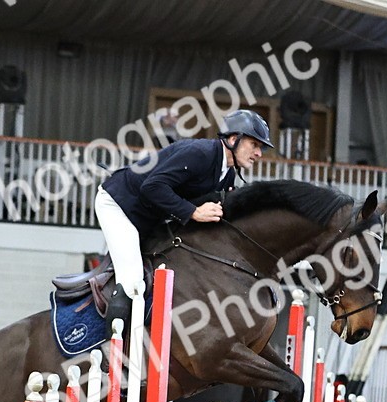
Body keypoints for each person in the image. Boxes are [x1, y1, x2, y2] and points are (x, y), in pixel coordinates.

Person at [94, 109, 273, 329]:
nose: (259, 153)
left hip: (149, 216)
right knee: (132, 283)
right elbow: (152, 187)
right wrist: (194, 212)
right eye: (255, 145)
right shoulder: (200, 153)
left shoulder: (226, 172)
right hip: (119, 205)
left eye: (260, 147)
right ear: (234, 139)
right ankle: (111, 353)